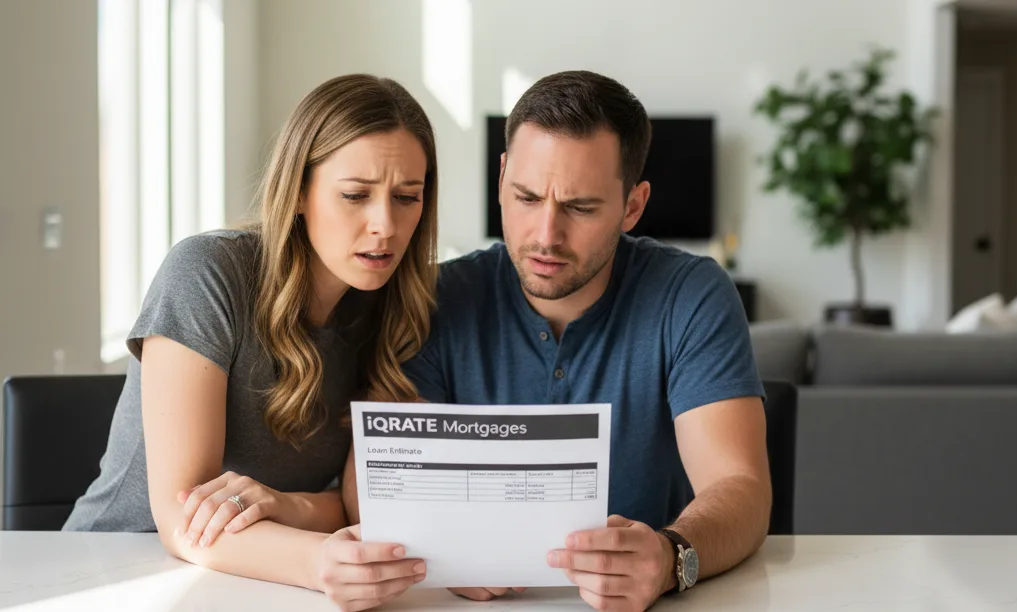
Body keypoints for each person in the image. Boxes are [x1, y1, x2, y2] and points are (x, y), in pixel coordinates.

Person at [388, 70, 772, 611]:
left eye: (581, 207)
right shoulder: (432, 299)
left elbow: (740, 487)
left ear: (633, 206)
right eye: (526, 197)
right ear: (501, 177)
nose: (546, 235)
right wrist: (444, 548)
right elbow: (392, 482)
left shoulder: (691, 295)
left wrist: (670, 557)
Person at [64, 74, 438, 610]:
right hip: (115, 571)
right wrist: (317, 557)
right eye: (355, 195)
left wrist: (290, 507)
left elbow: (370, 505)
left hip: (263, 581)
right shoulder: (208, 272)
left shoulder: (391, 305)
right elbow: (182, 517)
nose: (386, 225)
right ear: (299, 191)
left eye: (407, 197)